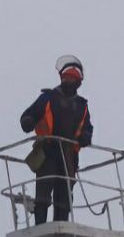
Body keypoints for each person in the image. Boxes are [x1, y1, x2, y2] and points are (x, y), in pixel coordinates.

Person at [19, 55, 93, 225]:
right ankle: (40, 226)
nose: (69, 80)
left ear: (79, 81)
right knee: (43, 191)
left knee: (64, 195)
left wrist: (85, 137)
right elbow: (28, 115)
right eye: (67, 77)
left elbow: (87, 127)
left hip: (68, 156)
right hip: (48, 151)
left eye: (73, 78)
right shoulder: (48, 98)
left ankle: (61, 226)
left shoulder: (82, 105)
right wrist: (27, 121)